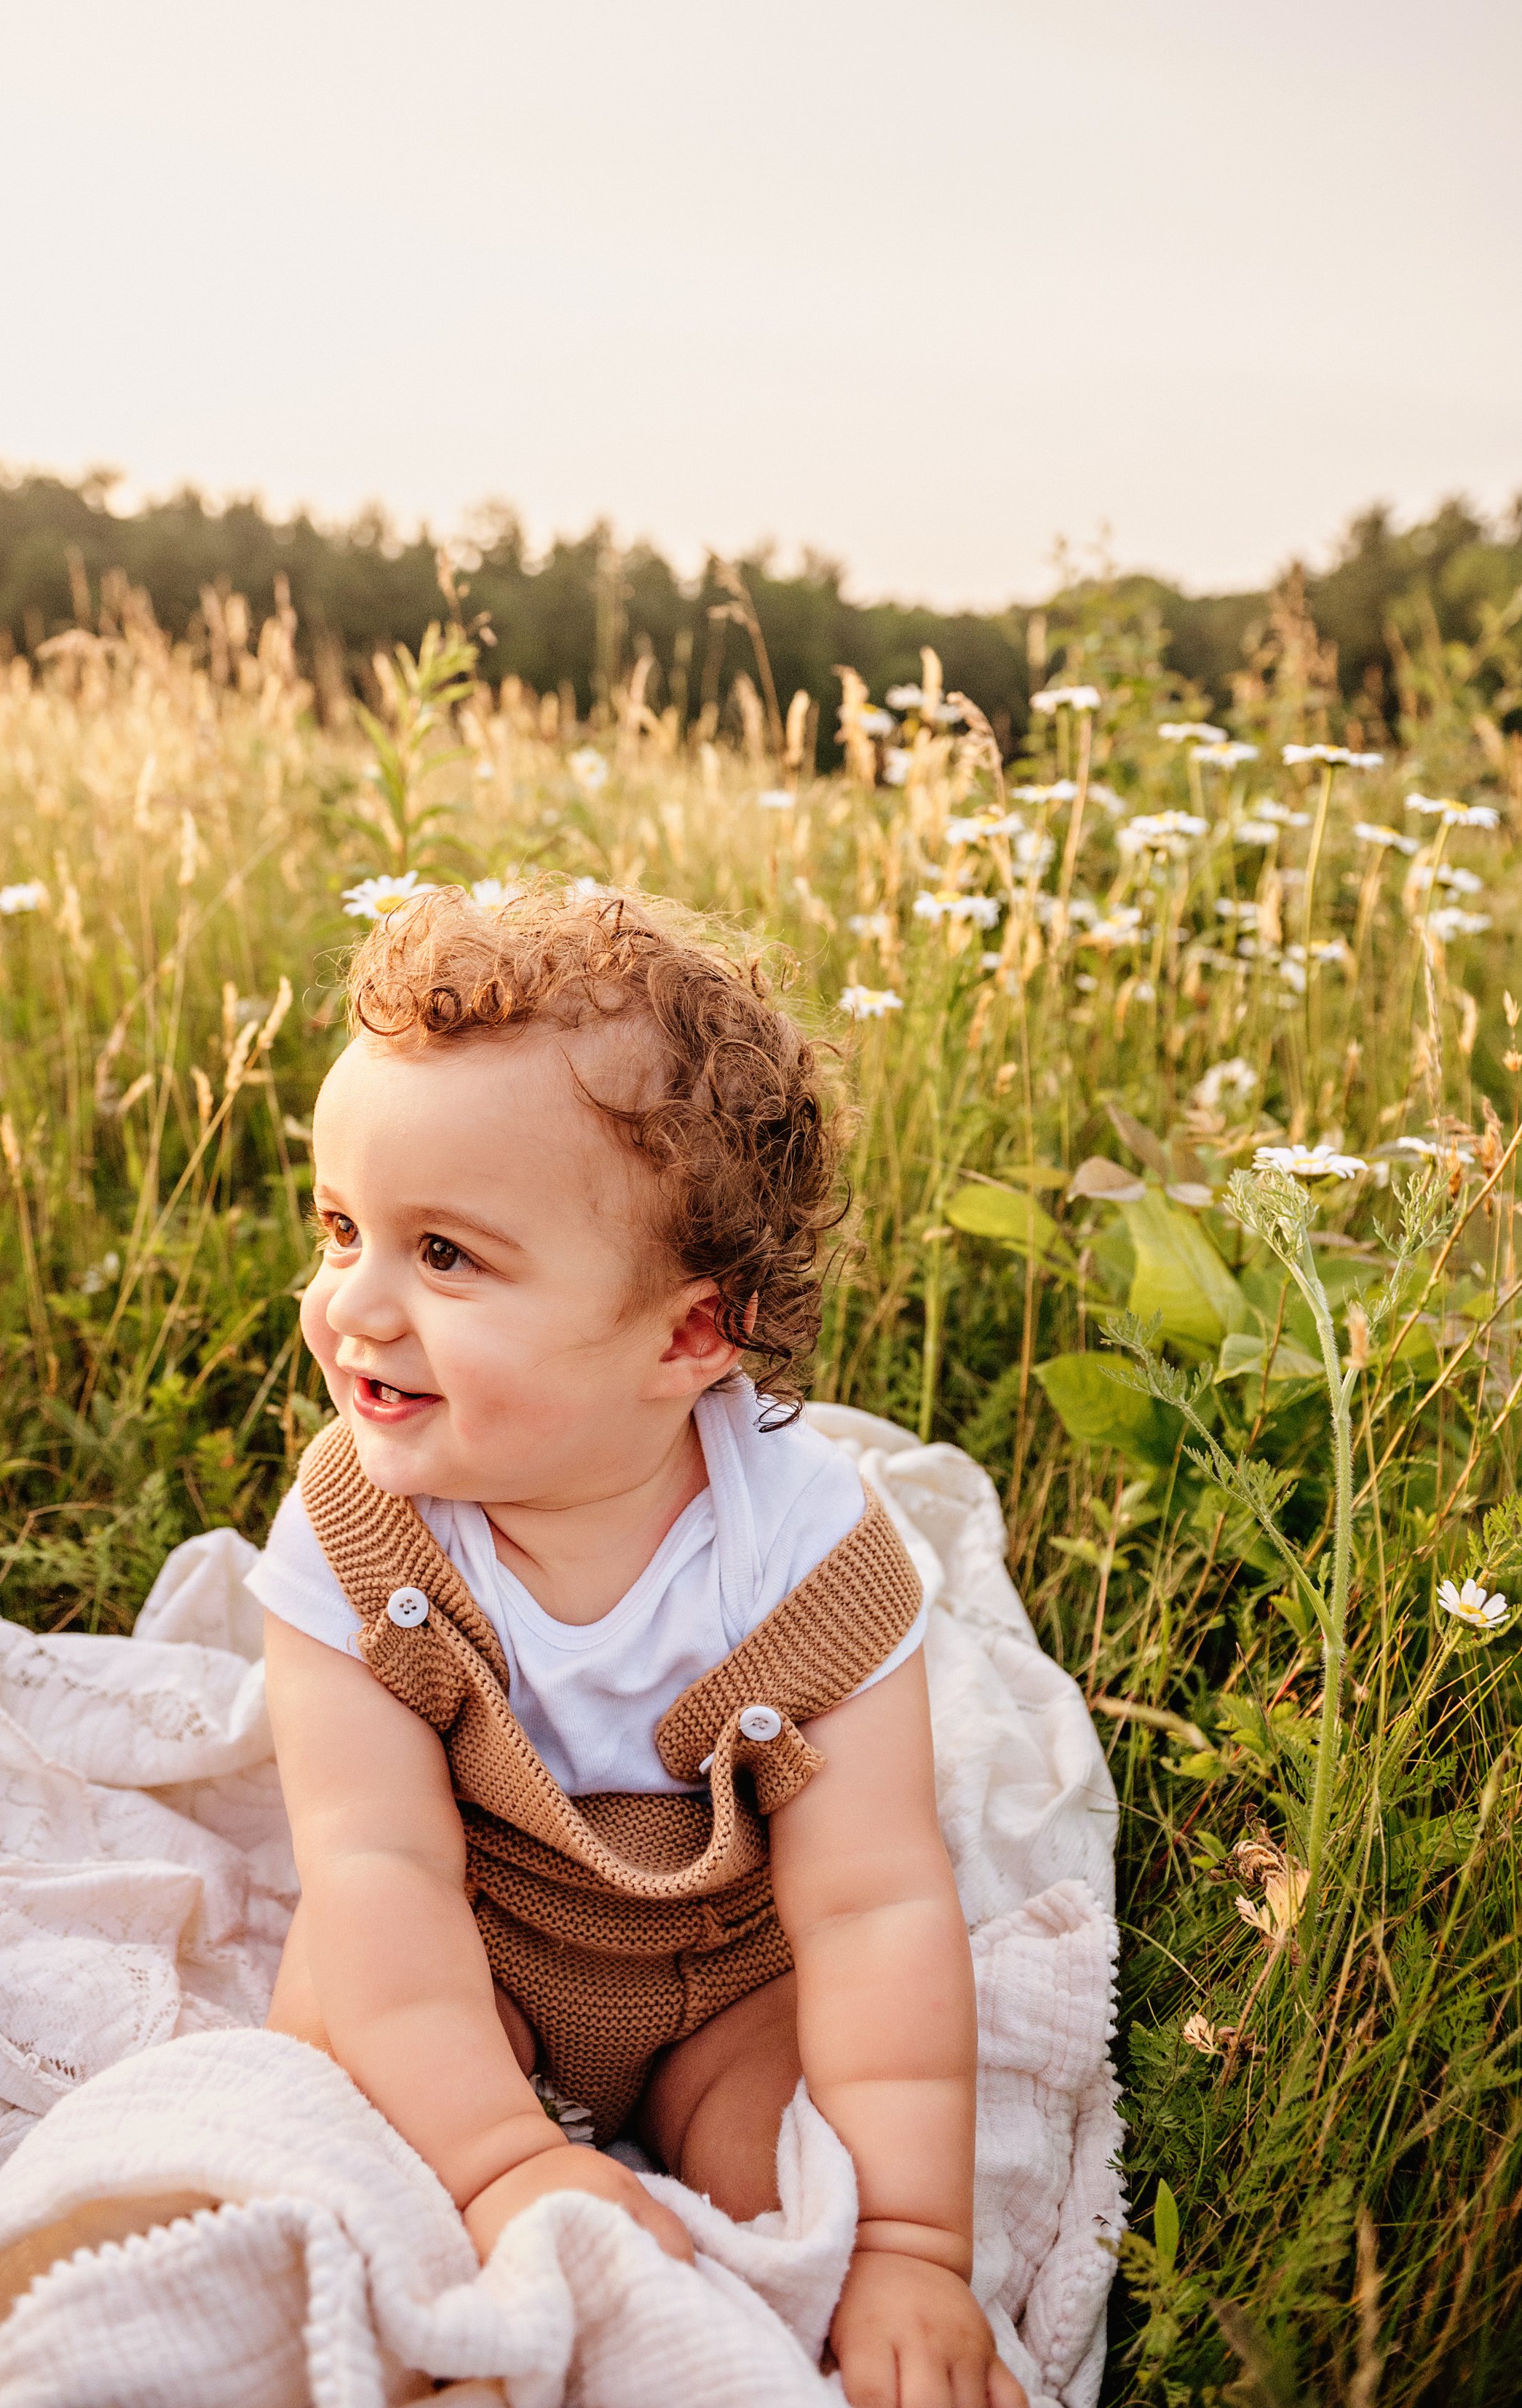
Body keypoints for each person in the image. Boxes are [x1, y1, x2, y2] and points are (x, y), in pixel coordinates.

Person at [254, 883, 1022, 2408]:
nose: (353, 1304)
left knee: (800, 2204)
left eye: (446, 1257)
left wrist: (912, 2249)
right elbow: (375, 1870)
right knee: (327, 2095)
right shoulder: (352, 1535)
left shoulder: (808, 1559)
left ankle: (772, 2324)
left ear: (689, 1336)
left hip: (720, 1980)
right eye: (343, 1228)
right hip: (464, 1944)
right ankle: (463, 2294)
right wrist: (497, 2162)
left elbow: (870, 1903)